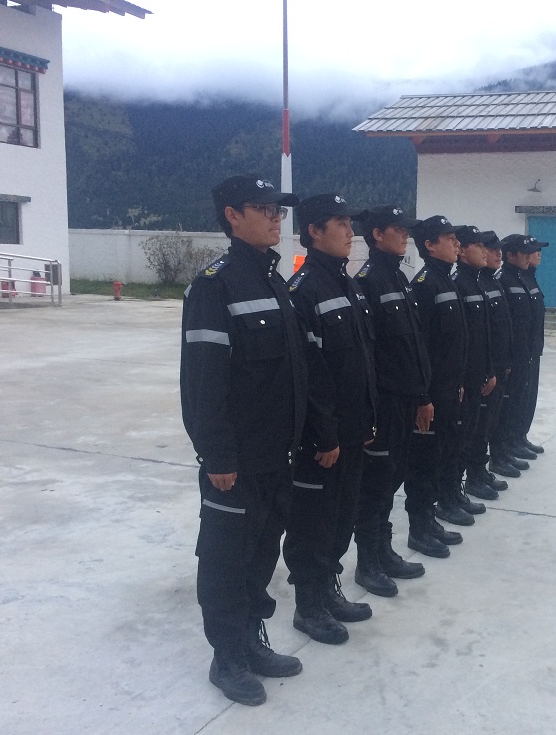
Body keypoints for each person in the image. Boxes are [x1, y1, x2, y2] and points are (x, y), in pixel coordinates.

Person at [180, 173, 306, 707]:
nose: (276, 218)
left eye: (279, 210)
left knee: (260, 555)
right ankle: (227, 657)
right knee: (226, 561)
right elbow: (203, 381)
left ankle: (251, 641)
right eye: (264, 208)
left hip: (277, 454)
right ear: (232, 215)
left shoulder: (274, 281)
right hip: (237, 460)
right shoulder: (216, 286)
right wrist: (217, 454)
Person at [283, 193, 377, 646]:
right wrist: (325, 434)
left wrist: (368, 420)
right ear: (314, 231)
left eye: (350, 223)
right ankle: (308, 605)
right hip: (324, 439)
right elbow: (310, 375)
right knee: (313, 523)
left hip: (353, 431)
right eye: (340, 224)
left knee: (341, 518)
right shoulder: (304, 291)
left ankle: (328, 590)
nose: (350, 232)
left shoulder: (348, 286)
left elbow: (362, 362)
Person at [352, 205, 432, 597]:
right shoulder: (367, 281)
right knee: (375, 486)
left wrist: (421, 396)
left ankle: (384, 551)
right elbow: (369, 355)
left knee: (391, 480)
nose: (406, 236)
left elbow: (412, 345)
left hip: (405, 402)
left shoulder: (398, 277)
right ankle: (368, 561)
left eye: (407, 230)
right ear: (377, 235)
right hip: (384, 404)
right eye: (398, 230)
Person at [404, 215, 468, 558]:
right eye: (448, 238)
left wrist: (457, 383)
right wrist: (424, 395)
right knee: (423, 463)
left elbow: (454, 342)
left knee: (440, 455)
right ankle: (419, 528)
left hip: (447, 389)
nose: (456, 243)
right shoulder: (425, 284)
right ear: (429, 245)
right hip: (430, 395)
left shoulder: (446, 280)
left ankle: (430, 520)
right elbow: (423, 347)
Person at [448, 225, 497, 517]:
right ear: (464, 251)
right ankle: (450, 495)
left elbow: (484, 336)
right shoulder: (458, 284)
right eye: (479, 246)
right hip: (463, 380)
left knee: (470, 436)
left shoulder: (476, 283)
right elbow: (459, 341)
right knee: (456, 442)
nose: (486, 252)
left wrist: (489, 370)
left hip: (480, 376)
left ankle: (459, 490)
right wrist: (464, 379)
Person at [463, 231, 512, 499]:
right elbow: (471, 337)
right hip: (476, 373)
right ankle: (471, 478)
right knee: (475, 429)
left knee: (486, 424)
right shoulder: (468, 283)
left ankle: (479, 472)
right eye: (485, 247)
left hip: (493, 367)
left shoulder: (488, 282)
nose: (493, 253)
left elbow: (498, 330)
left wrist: (500, 364)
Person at [490, 234, 540, 478]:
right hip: (513, 356)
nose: (531, 256)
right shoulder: (503, 279)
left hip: (528, 352)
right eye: (525, 252)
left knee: (523, 399)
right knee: (507, 405)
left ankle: (517, 439)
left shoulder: (524, 278)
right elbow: (506, 324)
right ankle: (503, 449)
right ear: (511, 255)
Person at [516, 243, 548, 456]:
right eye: (531, 251)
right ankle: (510, 443)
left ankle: (520, 437)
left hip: (532, 351)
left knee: (528, 398)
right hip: (521, 353)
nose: (536, 255)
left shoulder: (529, 278)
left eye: (538, 251)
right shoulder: (512, 279)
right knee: (516, 401)